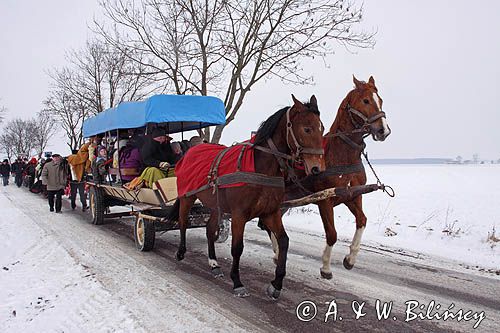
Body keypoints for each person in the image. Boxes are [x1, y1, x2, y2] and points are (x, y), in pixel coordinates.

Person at [67, 142, 91, 211]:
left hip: (72, 181)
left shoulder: (69, 161)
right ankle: (84, 206)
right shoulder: (81, 161)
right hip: (81, 180)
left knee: (73, 194)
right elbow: (86, 168)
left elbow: (67, 171)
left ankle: (73, 205)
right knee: (82, 194)